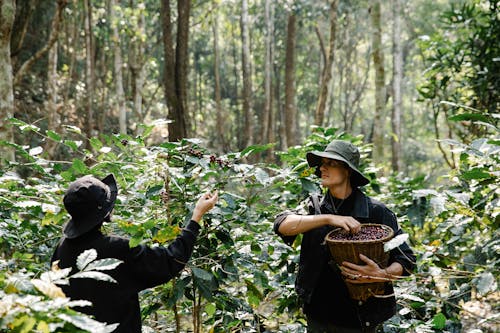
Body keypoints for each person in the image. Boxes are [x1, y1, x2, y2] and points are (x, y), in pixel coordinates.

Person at [274, 140, 416, 333]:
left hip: (358, 318)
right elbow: (281, 224)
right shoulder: (314, 207)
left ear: (348, 170)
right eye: (322, 163)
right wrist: (328, 219)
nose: (322, 168)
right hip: (319, 315)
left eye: (330, 163)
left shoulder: (375, 212)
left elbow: (406, 260)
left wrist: (382, 275)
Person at [51, 174, 218, 332]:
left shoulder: (62, 248)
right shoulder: (117, 248)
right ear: (104, 212)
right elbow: (170, 261)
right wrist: (196, 217)